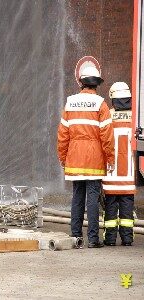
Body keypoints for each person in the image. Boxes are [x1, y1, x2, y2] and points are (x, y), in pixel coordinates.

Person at [57, 66, 115, 248]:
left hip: (74, 157)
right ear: (96, 84)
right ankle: (93, 239)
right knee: (92, 198)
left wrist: (63, 158)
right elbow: (107, 135)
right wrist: (111, 158)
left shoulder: (70, 103)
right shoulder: (101, 104)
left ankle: (75, 237)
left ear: (81, 82)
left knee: (77, 197)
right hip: (94, 159)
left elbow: (62, 135)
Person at [102, 82, 136, 246]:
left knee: (110, 209)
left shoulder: (108, 115)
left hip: (110, 174)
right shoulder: (135, 117)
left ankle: (109, 239)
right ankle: (127, 239)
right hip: (128, 176)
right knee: (127, 211)